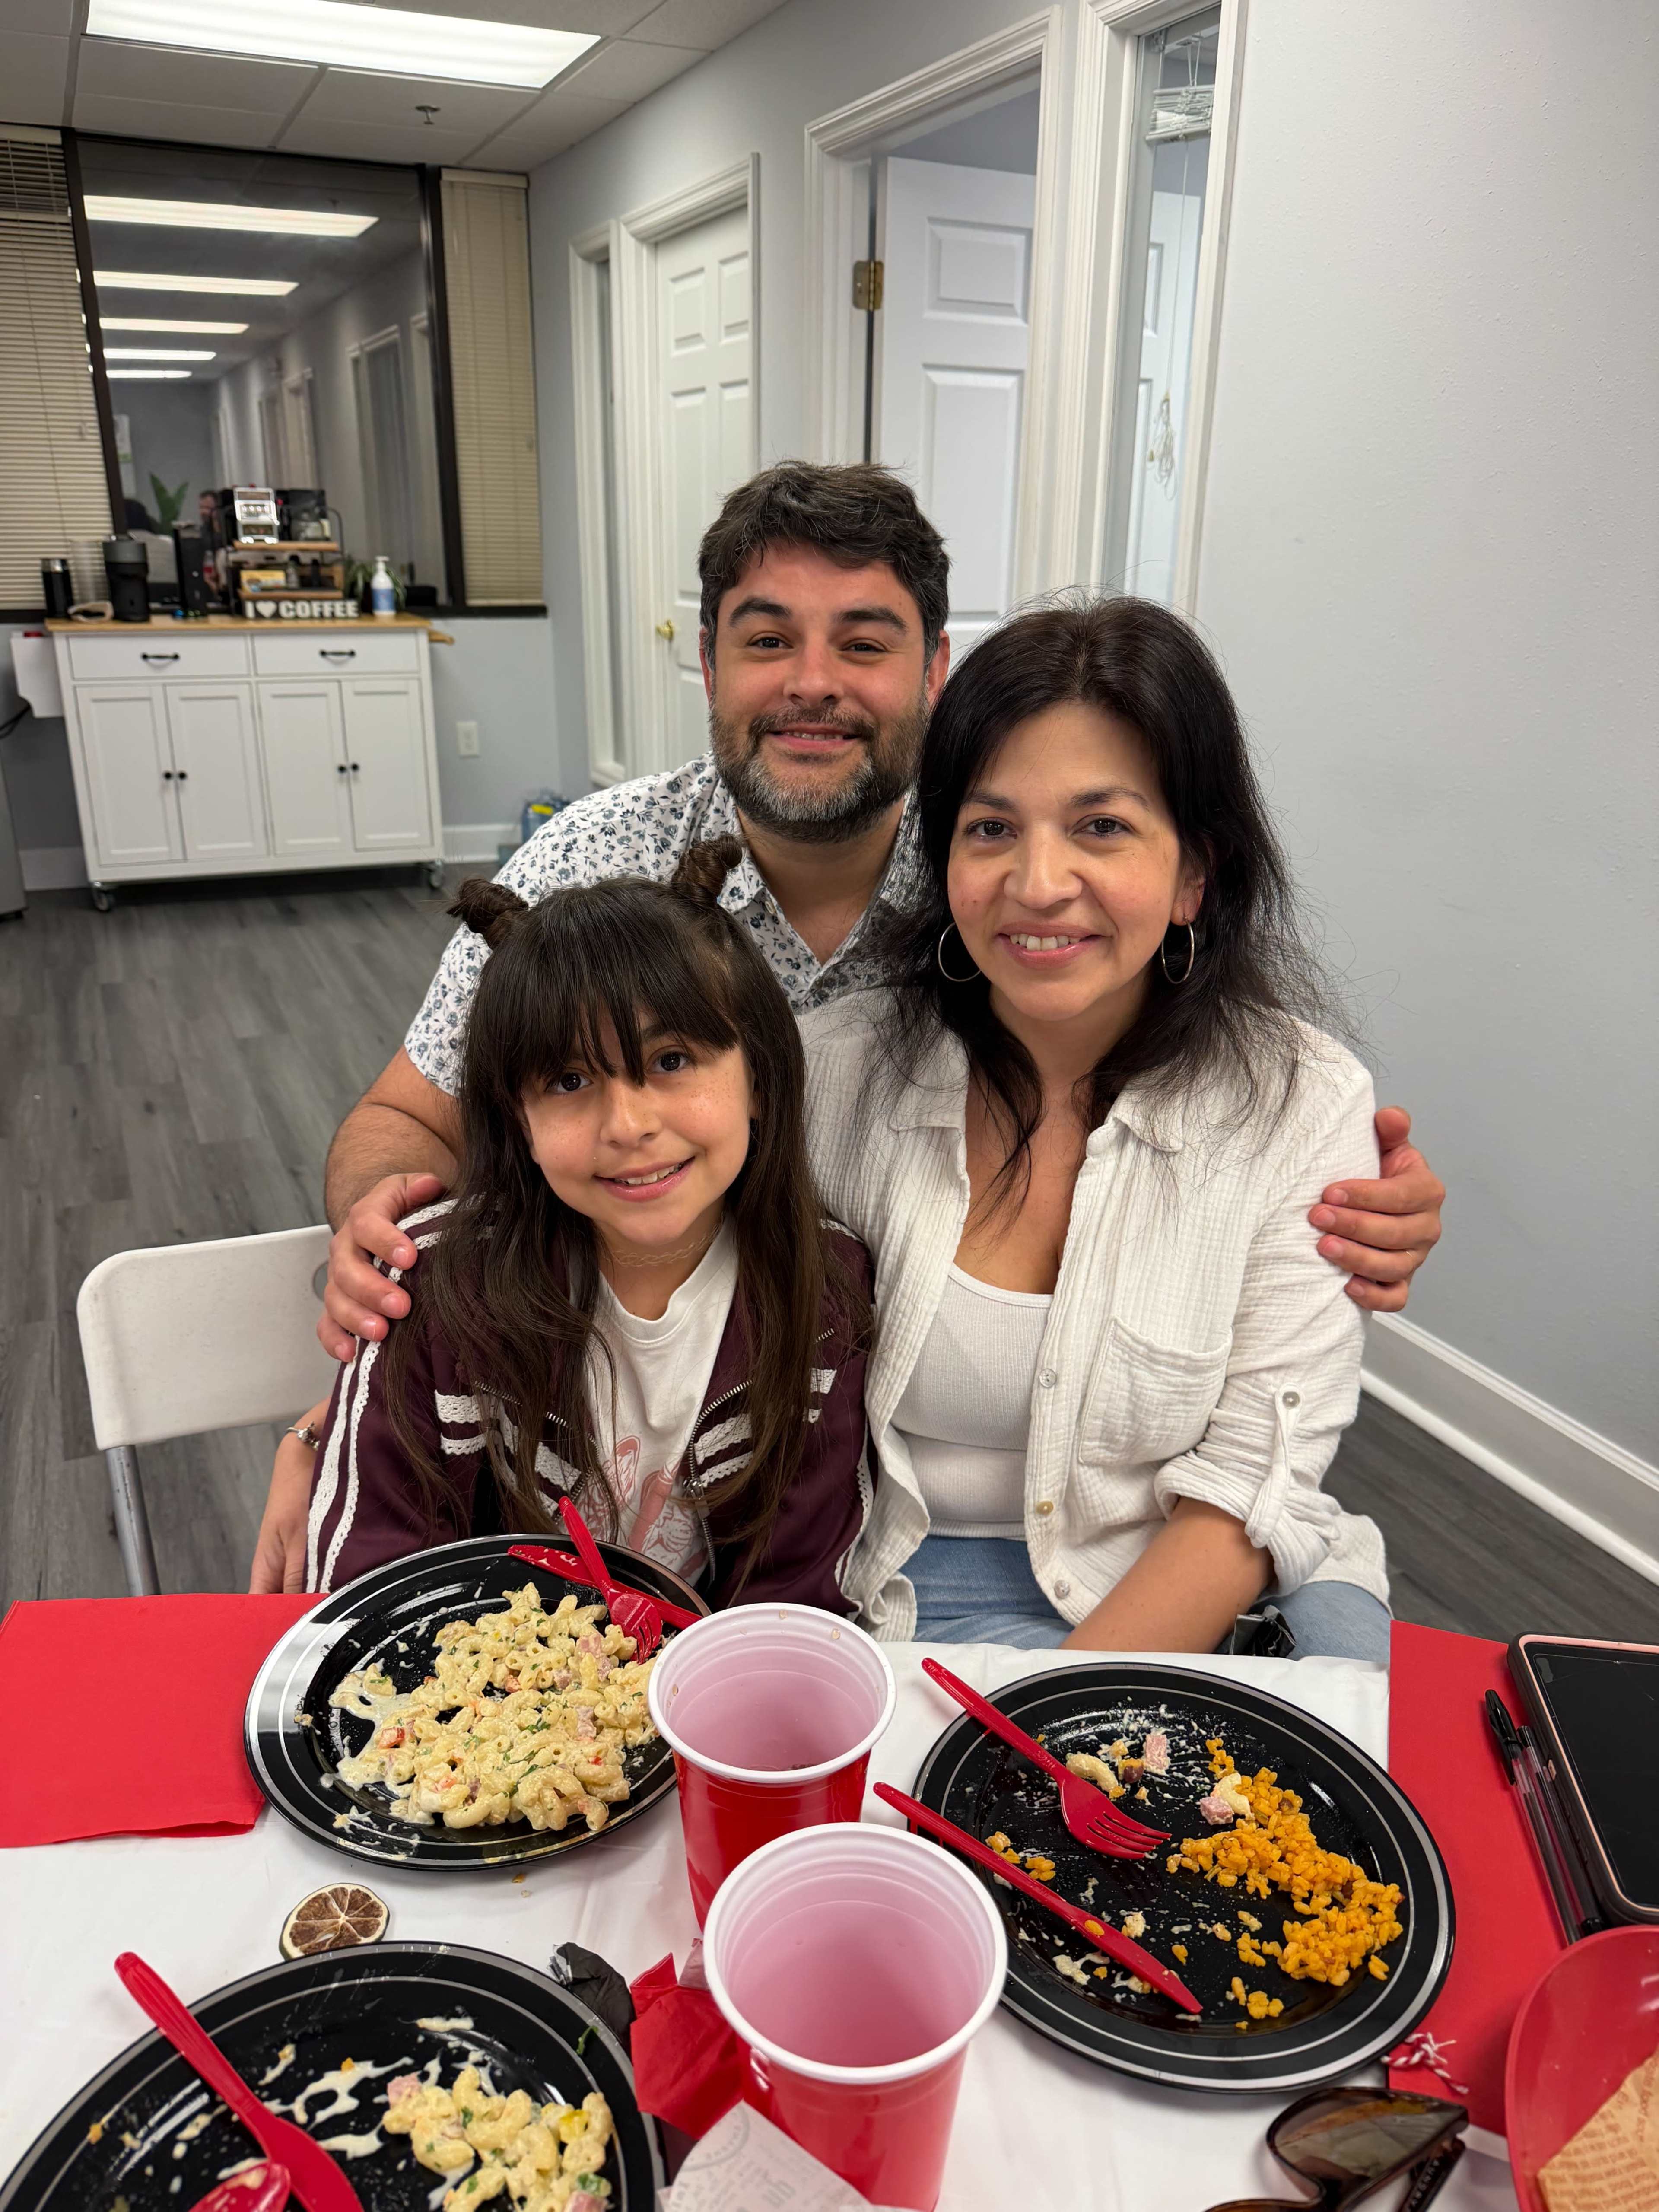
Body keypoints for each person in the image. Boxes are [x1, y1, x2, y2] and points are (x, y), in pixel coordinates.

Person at [250, 463, 1444, 1591]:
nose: (812, 682)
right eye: (767, 640)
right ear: (709, 666)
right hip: (717, 1488)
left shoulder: (996, 864)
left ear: (933, 674)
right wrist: (372, 1359)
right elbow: (409, 1118)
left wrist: (1325, 1188)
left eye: (863, 644)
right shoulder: (587, 864)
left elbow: (1215, 1065)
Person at [804, 598, 1393, 1661]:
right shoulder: (829, 1073)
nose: (1038, 884)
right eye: (991, 829)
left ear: (1195, 875)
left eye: (1102, 826)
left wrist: (1036, 1726)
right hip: (868, 1579)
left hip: (1161, 1588)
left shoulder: (1305, 1108)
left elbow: (1241, 1496)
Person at [300, 843, 872, 1606]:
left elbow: (794, 1593)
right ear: (518, 1120)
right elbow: (368, 1586)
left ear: (759, 1078)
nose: (628, 1125)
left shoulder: (824, 1287)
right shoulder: (430, 1292)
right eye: (570, 1081)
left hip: (710, 1694)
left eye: (671, 1061)